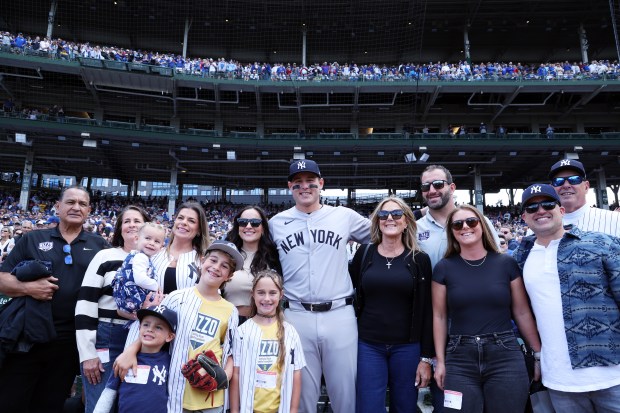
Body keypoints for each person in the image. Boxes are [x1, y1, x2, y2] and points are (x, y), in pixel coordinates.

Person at [269, 159, 371, 413]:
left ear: (321, 183)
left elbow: (387, 231)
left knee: (345, 392)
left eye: (310, 181)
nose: (305, 186)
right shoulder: (276, 223)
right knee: (301, 394)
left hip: (339, 314)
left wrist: (423, 216)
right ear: (290, 186)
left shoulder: (344, 216)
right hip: (296, 316)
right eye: (298, 182)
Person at [0, 186, 108, 413]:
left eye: (82, 204)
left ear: (89, 210)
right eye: (70, 202)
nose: (76, 207)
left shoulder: (99, 246)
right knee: (11, 401)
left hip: (69, 343)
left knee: (50, 404)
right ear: (57, 207)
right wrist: (27, 288)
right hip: (28, 339)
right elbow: (2, 280)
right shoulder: (31, 238)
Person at [515, 183, 620, 412]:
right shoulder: (520, 256)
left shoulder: (601, 243)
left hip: (613, 375)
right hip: (559, 380)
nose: (540, 210)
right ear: (524, 217)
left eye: (548, 204)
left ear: (561, 210)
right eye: (532, 208)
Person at [432, 204, 541, 413]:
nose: (465, 227)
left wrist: (537, 354)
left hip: (505, 354)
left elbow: (521, 312)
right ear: (452, 232)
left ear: (482, 226)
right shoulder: (444, 267)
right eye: (457, 224)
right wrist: (441, 361)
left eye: (471, 221)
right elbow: (439, 316)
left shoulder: (506, 263)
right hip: (459, 356)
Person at [114, 240, 244, 413]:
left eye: (225, 266)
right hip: (176, 393)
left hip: (211, 399)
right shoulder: (176, 298)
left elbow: (230, 351)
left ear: (229, 275)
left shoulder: (230, 311)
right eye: (213, 260)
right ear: (202, 261)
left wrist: (222, 378)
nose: (216, 267)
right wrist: (130, 351)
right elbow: (149, 327)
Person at [349, 196, 434, 413]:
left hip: (407, 347)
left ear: (406, 221)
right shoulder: (364, 253)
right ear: (377, 221)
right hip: (368, 345)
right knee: (368, 407)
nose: (390, 219)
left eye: (396, 214)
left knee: (404, 406)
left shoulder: (419, 259)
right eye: (383, 215)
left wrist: (425, 357)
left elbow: (427, 311)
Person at [76, 205, 151, 412]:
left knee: (131, 406)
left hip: (143, 341)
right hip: (107, 336)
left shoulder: (156, 261)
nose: (132, 225)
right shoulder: (105, 256)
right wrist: (87, 353)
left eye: (137, 221)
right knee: (101, 405)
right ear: (119, 229)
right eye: (126, 221)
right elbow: (85, 303)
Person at [230, 270, 305, 413]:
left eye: (272, 293)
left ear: (281, 295)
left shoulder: (290, 332)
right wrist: (234, 410)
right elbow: (236, 374)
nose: (266, 298)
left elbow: (296, 374)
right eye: (261, 292)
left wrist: (293, 409)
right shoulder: (242, 332)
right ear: (252, 294)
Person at [93, 305, 177, 413]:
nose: (150, 329)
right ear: (139, 328)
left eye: (158, 327)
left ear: (169, 336)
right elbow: (109, 391)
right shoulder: (124, 360)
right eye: (146, 324)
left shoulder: (170, 361)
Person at [224, 206, 281, 324]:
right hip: (228, 322)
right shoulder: (226, 255)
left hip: (266, 323)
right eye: (243, 222)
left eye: (255, 223)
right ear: (237, 227)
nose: (248, 226)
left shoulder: (276, 256)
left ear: (263, 228)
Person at [548, 159, 619, 237]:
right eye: (558, 181)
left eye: (574, 179)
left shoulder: (615, 219)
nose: (566, 185)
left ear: (586, 186)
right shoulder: (537, 226)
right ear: (551, 189)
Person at [112, 222, 166, 317]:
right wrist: (156, 286)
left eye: (157, 241)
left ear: (161, 246)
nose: (151, 243)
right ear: (137, 239)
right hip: (133, 300)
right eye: (148, 238)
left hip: (127, 302)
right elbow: (140, 280)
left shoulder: (137, 255)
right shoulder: (141, 257)